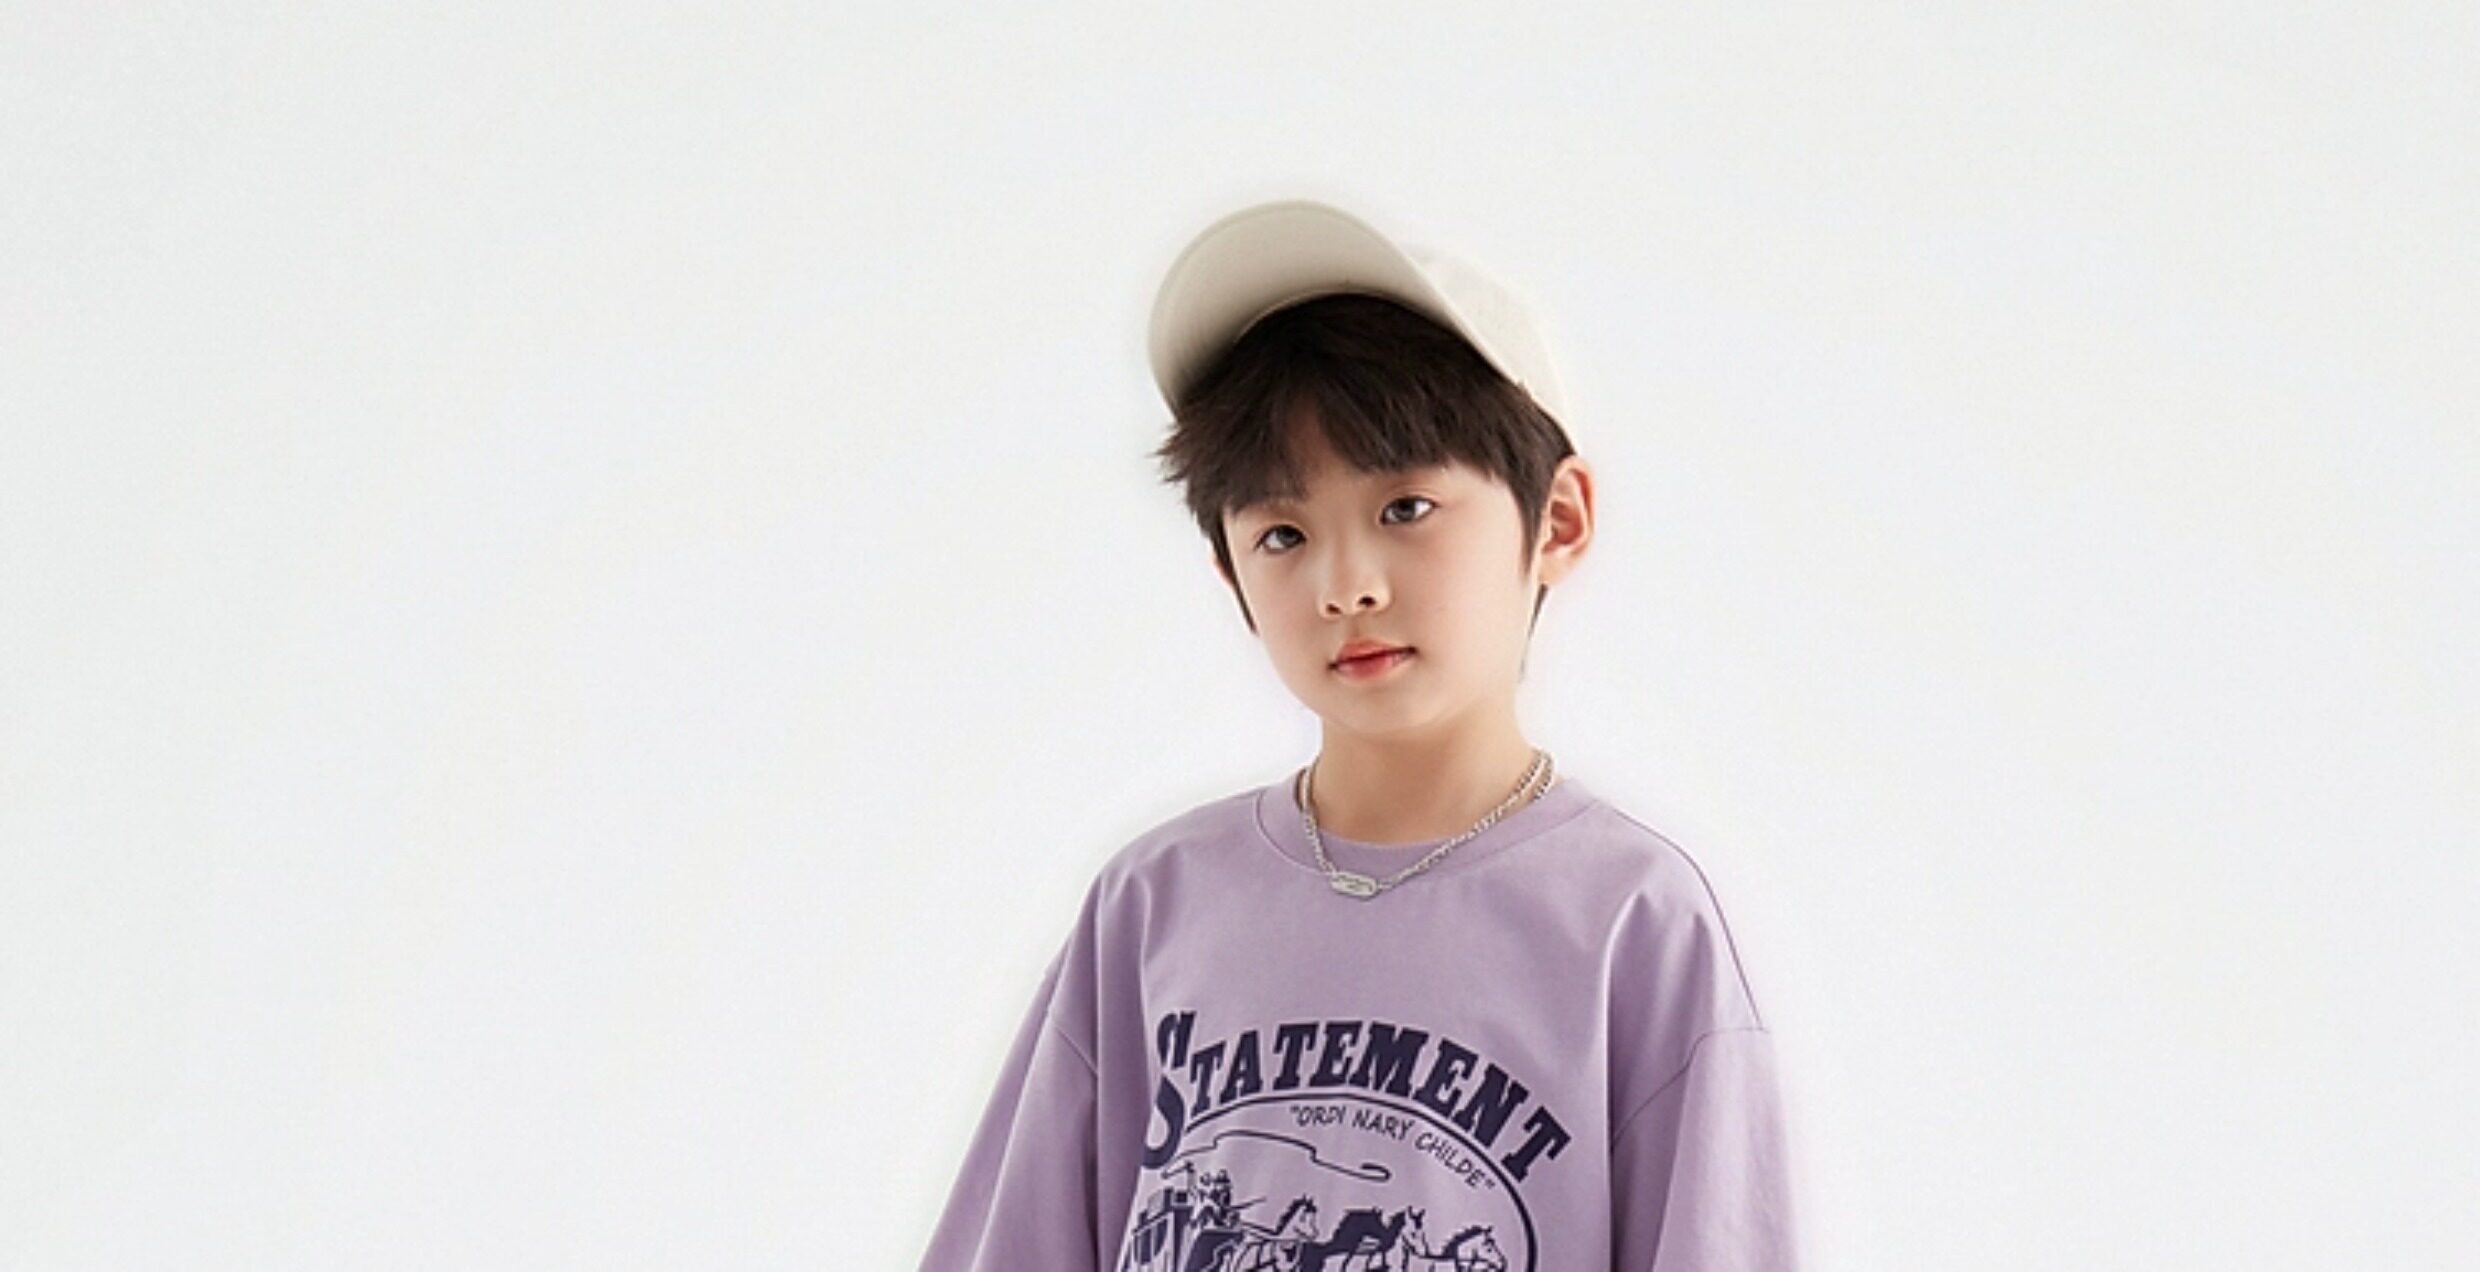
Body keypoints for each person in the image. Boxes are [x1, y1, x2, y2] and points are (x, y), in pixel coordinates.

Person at [918, 197, 1803, 1271]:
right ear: (1229, 573)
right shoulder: (1153, 907)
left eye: (1404, 509)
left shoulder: (1633, 919)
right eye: (1283, 534)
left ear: (1557, 520)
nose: (1346, 586)